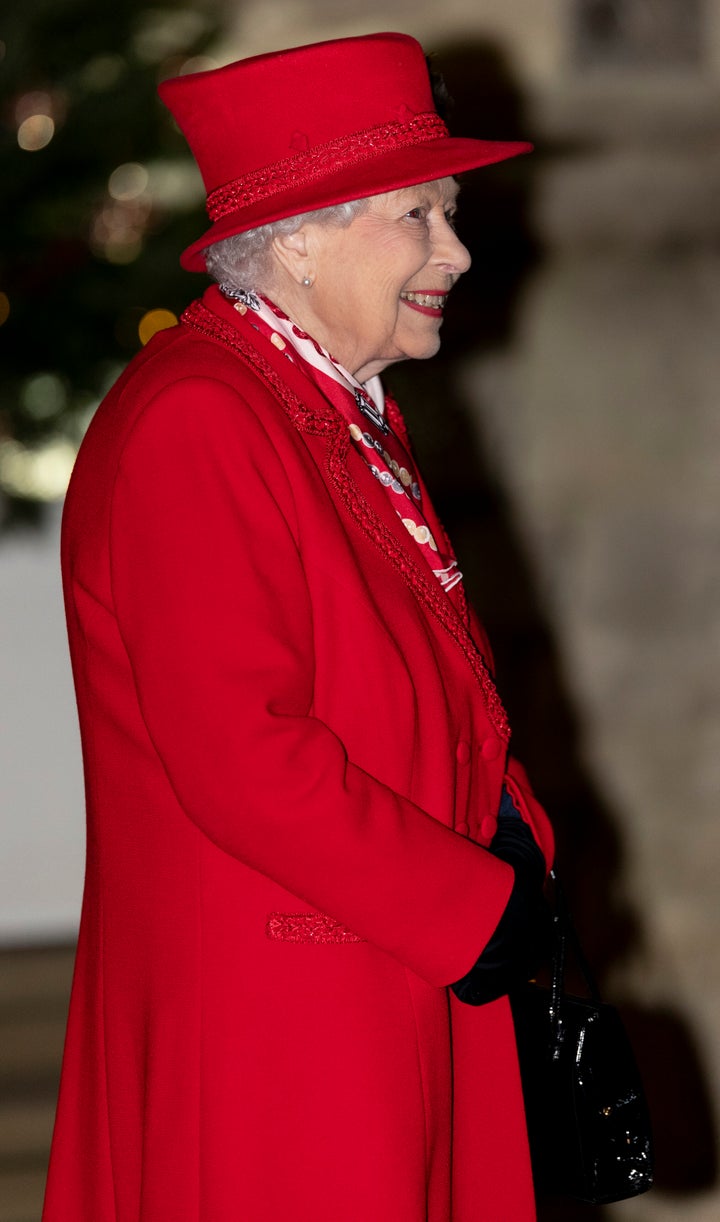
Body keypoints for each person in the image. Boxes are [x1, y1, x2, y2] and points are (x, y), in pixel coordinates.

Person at [43, 31, 554, 1222]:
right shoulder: (198, 419)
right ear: (304, 232)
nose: (458, 252)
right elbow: (242, 758)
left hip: (377, 979)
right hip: (284, 1028)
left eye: (453, 213)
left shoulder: (319, 403)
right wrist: (476, 911)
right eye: (421, 216)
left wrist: (519, 847)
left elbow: (423, 684)